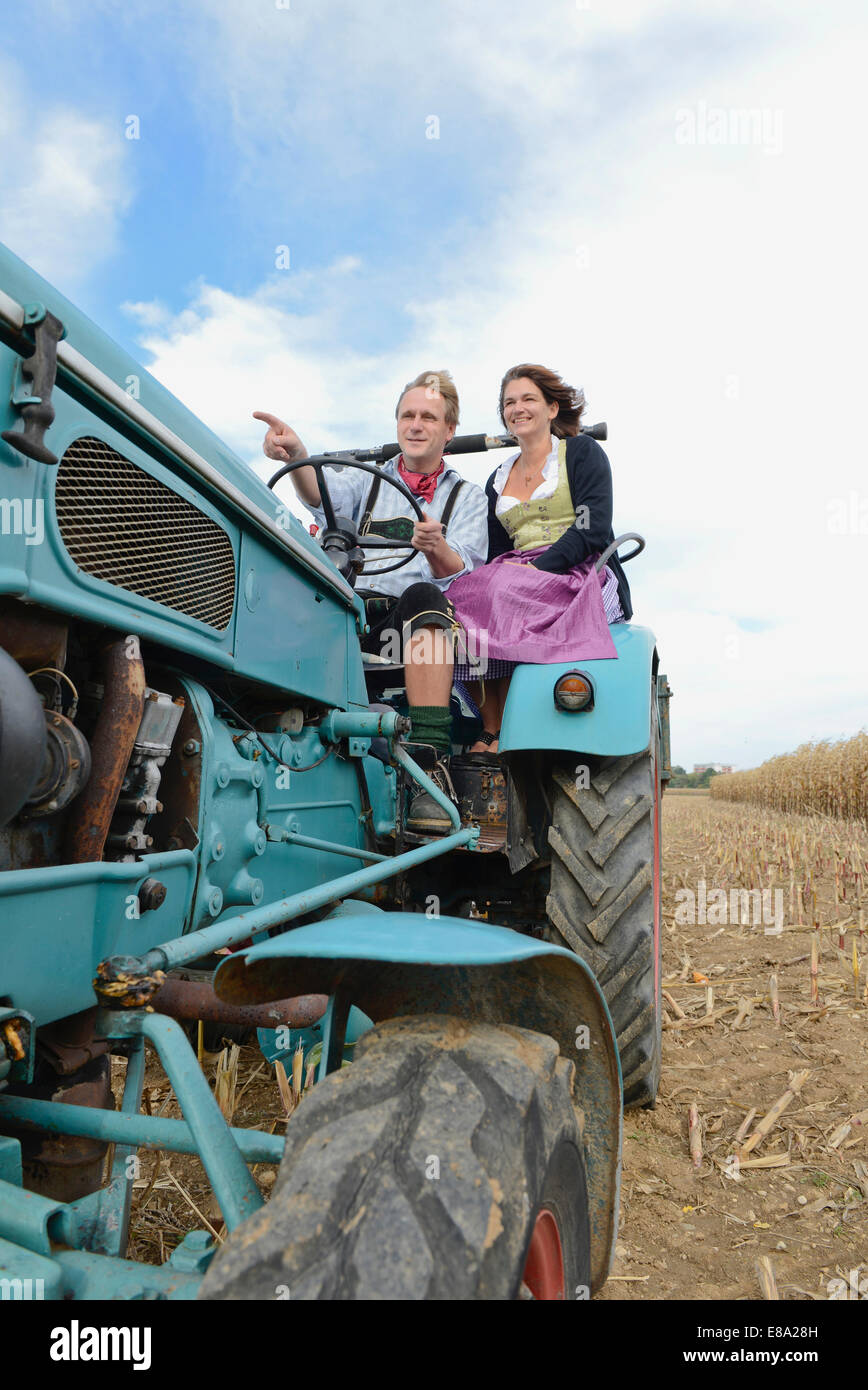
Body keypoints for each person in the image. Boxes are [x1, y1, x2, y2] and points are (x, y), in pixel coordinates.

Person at [254, 369, 489, 830]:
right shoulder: (368, 482)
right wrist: (299, 455)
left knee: (425, 596)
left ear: (449, 430)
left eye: (428, 417)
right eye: (407, 415)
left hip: (413, 622)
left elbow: (464, 573)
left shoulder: (467, 497)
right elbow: (320, 496)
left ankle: (427, 766)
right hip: (353, 608)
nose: (415, 425)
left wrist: (437, 547)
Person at [449, 363, 632, 754]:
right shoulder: (498, 476)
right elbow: (495, 551)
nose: (518, 408)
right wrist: (506, 574)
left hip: (576, 566)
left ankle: (516, 726)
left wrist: (535, 570)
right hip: (513, 570)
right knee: (460, 595)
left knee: (500, 589)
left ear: (552, 408)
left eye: (528, 399)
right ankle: (491, 727)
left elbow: (592, 528)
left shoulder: (581, 452)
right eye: (509, 402)